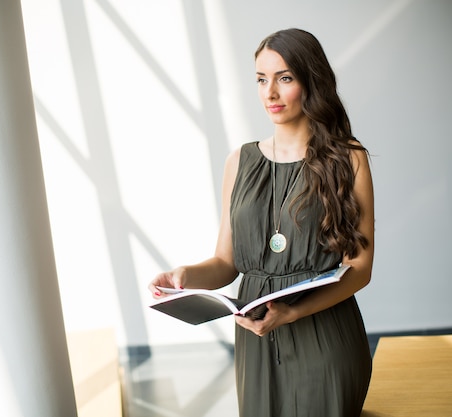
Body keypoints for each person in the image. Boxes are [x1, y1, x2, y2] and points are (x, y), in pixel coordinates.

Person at [148, 28, 374, 417]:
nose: (269, 93)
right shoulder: (239, 161)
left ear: (310, 82)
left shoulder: (348, 158)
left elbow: (360, 269)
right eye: (261, 79)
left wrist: (292, 312)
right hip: (256, 341)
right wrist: (184, 275)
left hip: (325, 336)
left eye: (284, 78)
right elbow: (226, 262)